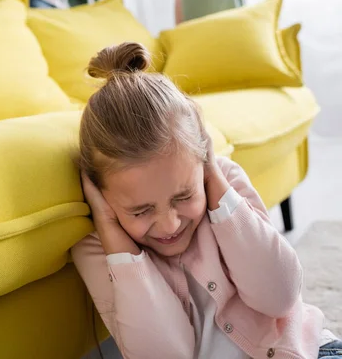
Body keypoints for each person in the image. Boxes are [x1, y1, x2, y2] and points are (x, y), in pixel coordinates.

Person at [72, 41, 341, 359]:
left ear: (204, 164)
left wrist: (215, 181)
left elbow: (280, 297)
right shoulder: (98, 245)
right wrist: (114, 237)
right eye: (142, 210)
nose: (169, 224)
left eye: (183, 196)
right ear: (102, 197)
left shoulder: (223, 181)